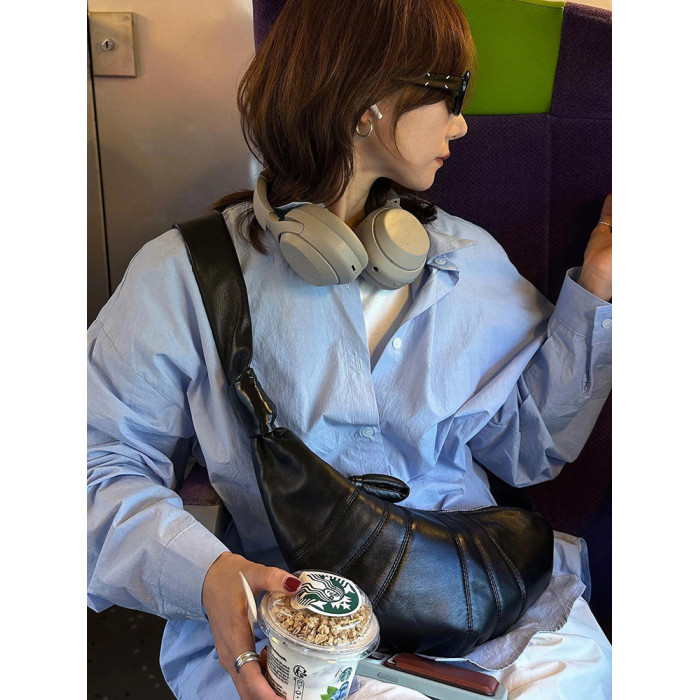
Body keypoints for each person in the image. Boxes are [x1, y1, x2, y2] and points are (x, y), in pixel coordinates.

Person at [87, 0, 612, 698]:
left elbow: (527, 447)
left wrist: (598, 292)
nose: (462, 124)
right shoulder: (185, 275)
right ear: (369, 101)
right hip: (289, 614)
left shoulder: (465, 259)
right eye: (452, 94)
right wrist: (205, 573)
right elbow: (94, 462)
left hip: (470, 592)